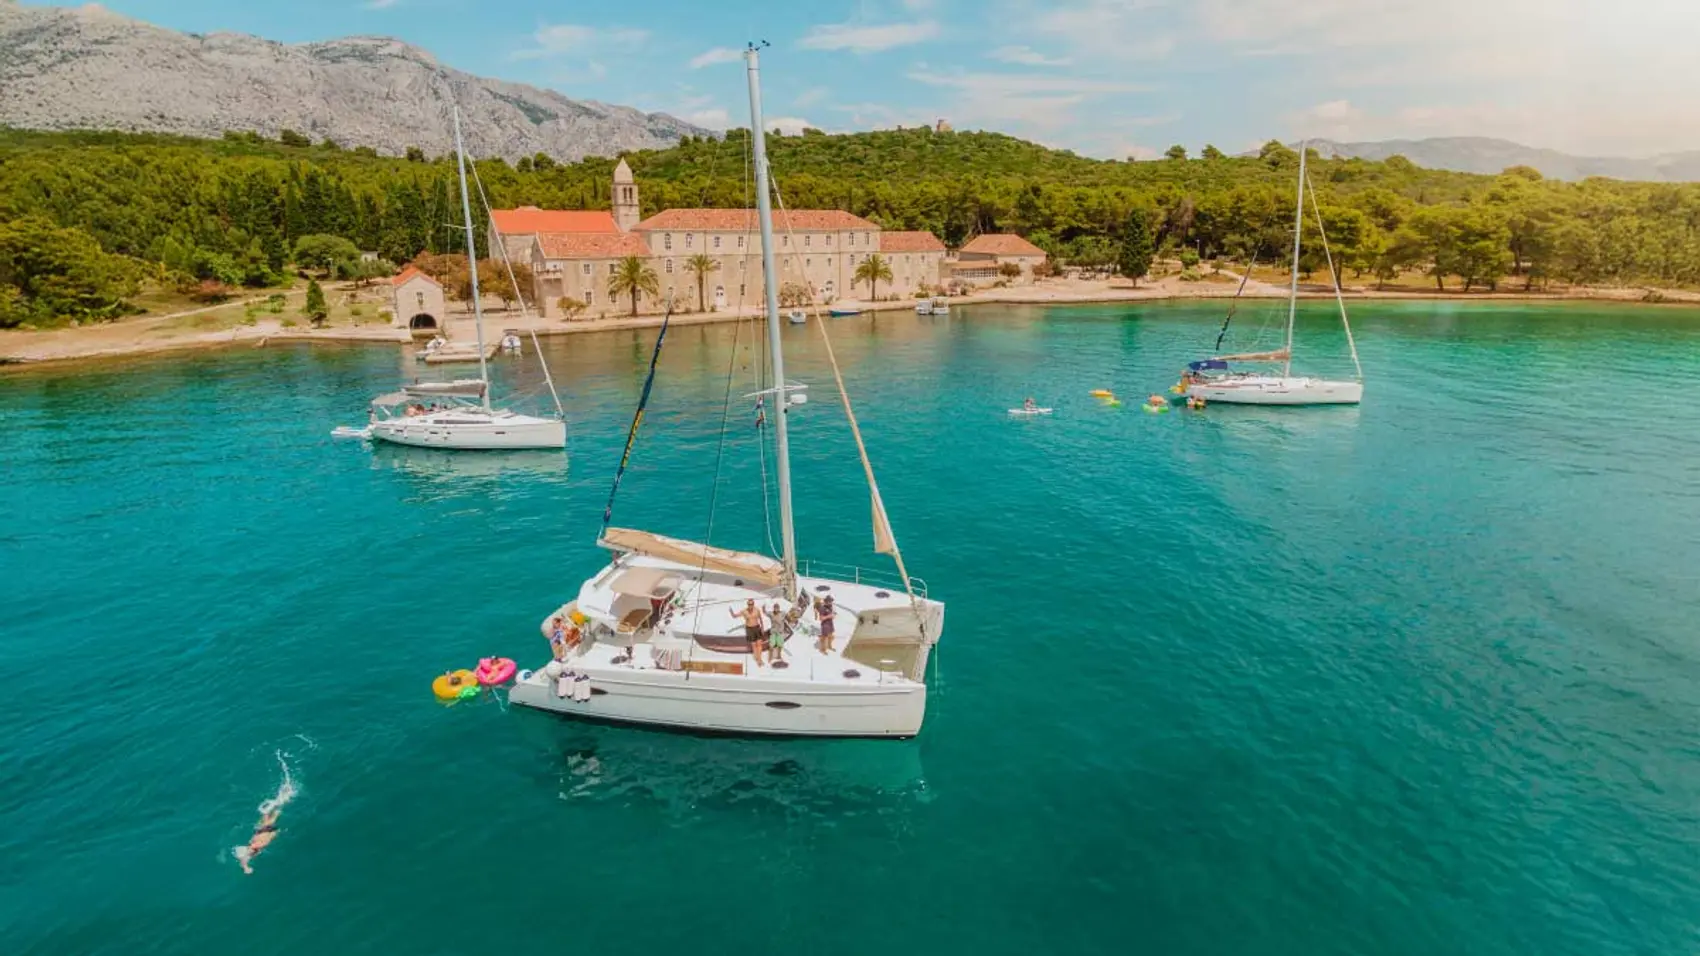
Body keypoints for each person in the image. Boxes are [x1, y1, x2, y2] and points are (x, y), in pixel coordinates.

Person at [235, 808, 281, 875]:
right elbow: (245, 858)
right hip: (262, 833)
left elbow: (245, 858)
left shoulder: (255, 847)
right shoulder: (255, 848)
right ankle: (271, 810)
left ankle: (272, 810)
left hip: (263, 833)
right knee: (269, 820)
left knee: (270, 820)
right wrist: (246, 868)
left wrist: (246, 868)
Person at [731, 598, 767, 666]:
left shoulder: (757, 610)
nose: (751, 605)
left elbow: (760, 619)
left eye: (752, 604)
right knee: (753, 645)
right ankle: (757, 658)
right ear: (747, 604)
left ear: (753, 604)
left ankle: (759, 659)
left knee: (759, 644)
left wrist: (762, 628)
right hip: (749, 629)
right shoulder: (744, 611)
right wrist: (731, 612)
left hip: (757, 627)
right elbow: (735, 616)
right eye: (749, 604)